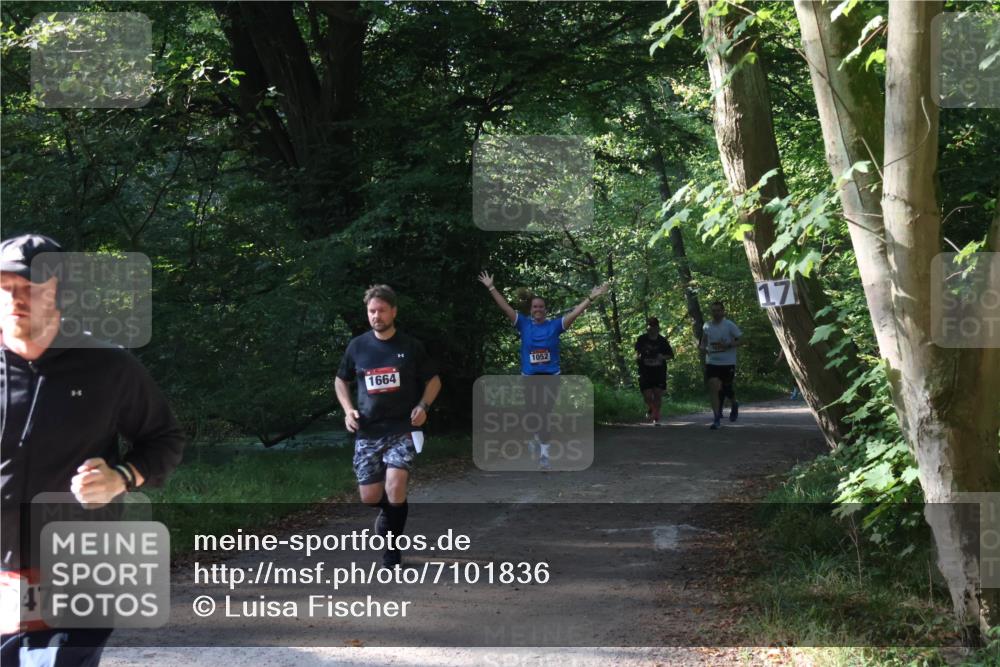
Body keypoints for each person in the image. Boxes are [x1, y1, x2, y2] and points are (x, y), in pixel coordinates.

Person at [0, 234, 185, 666]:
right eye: (7, 286)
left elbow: (165, 438)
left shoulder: (109, 367)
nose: (16, 298)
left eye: (31, 288)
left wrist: (123, 477)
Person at [334, 285, 441, 569]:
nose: (376, 316)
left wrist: (423, 407)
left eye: (381, 310)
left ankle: (392, 551)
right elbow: (340, 380)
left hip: (402, 428)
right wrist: (348, 410)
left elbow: (434, 381)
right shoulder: (357, 346)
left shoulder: (410, 346)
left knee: (395, 486)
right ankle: (388, 512)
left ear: (393, 311)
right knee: (370, 497)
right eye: (371, 311)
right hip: (368, 430)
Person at [478, 271, 608, 469]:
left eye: (541, 307)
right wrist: (491, 287)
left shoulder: (555, 326)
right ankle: (535, 438)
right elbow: (505, 308)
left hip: (550, 377)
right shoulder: (522, 324)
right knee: (532, 415)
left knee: (544, 413)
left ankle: (544, 456)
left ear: (545, 309)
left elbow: (575, 313)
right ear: (530, 310)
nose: (538, 309)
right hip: (529, 377)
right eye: (535, 307)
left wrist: (591, 297)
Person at [699, 300, 742, 430]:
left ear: (723, 312)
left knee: (726, 388)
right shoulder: (707, 326)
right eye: (714, 311)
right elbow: (703, 342)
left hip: (728, 362)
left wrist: (728, 345)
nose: (716, 313)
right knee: (713, 386)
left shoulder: (729, 325)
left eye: (718, 310)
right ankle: (717, 418)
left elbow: (742, 339)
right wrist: (703, 348)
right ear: (711, 312)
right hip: (712, 361)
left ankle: (734, 403)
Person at [634, 317, 674, 425]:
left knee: (657, 395)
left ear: (658, 327)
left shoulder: (662, 341)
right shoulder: (641, 339)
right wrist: (638, 357)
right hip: (645, 371)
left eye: (654, 326)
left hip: (659, 371)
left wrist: (661, 357)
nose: (652, 328)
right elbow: (637, 352)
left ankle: (656, 418)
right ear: (647, 327)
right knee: (647, 396)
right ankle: (652, 409)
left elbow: (670, 355)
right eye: (650, 326)